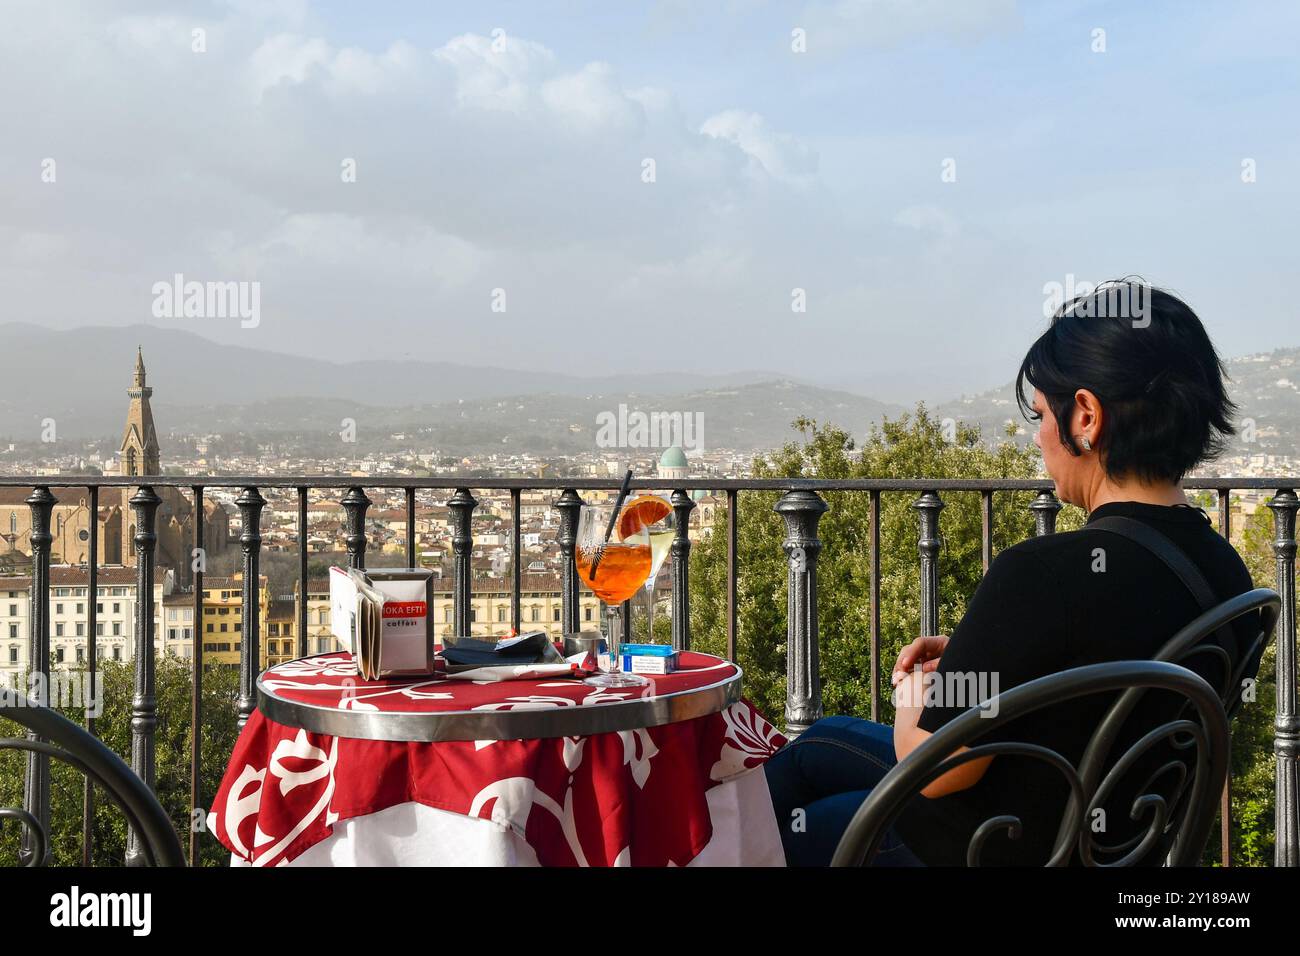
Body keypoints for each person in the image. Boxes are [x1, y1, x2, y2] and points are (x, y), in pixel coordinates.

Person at [764, 280, 1260, 866]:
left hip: (982, 845)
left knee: (772, 832)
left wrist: (914, 693)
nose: (1038, 436)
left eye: (1042, 414)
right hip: (1116, 846)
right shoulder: (1232, 579)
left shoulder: (1044, 573)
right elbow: (1099, 677)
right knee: (817, 746)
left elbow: (934, 771)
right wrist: (987, 654)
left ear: (1086, 417)